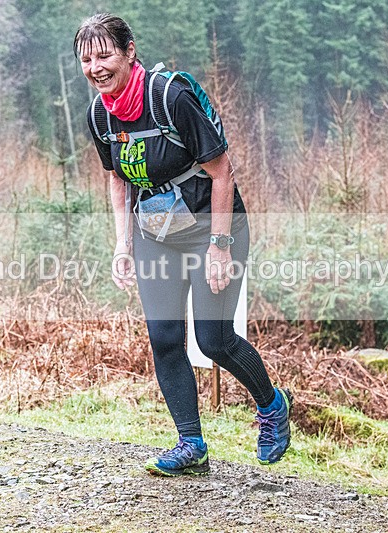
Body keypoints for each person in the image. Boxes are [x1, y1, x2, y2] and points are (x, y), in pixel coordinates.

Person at [74, 13, 292, 476]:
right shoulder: (99, 114)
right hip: (157, 235)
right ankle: (190, 442)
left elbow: (221, 171)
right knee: (165, 338)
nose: (95, 67)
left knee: (214, 341)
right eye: (86, 58)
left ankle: (272, 406)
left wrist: (219, 245)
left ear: (129, 51)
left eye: (104, 54)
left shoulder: (169, 98)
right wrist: (121, 244)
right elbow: (116, 179)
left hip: (213, 227)